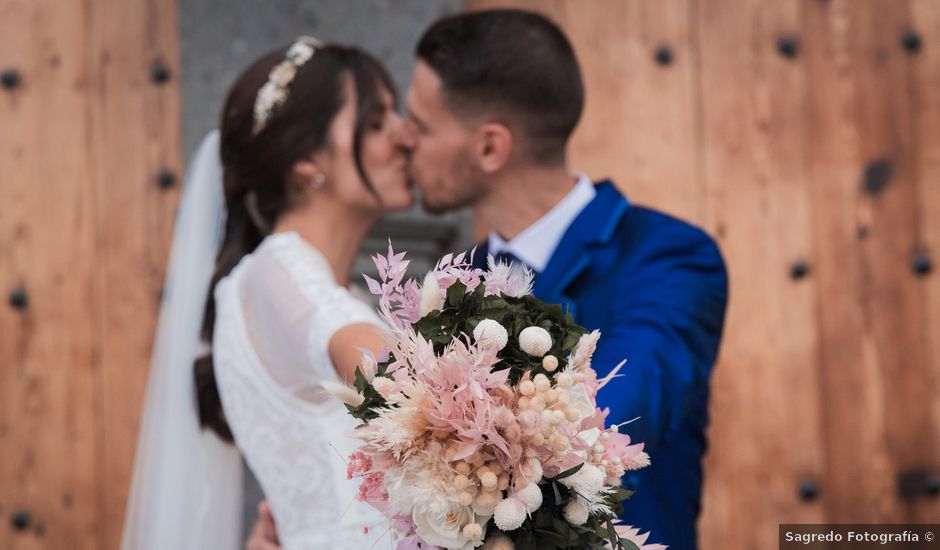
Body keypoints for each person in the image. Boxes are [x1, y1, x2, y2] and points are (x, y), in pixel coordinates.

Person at [250, 9, 728, 550]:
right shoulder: (449, 285)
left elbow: (614, 422)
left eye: (421, 124)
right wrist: (315, 514)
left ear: (490, 148)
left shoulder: (666, 257)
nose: (404, 139)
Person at [122, 37, 413, 550]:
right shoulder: (282, 277)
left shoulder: (297, 285)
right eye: (375, 122)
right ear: (306, 159)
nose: (405, 137)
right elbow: (409, 392)